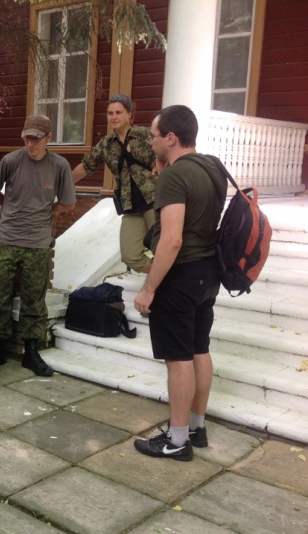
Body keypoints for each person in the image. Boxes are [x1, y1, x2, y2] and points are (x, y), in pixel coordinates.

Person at [133, 105, 227, 461]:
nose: (152, 142)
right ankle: (195, 427)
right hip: (208, 272)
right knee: (199, 349)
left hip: (181, 275)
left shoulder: (175, 178)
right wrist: (163, 170)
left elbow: (172, 239)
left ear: (170, 138)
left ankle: (176, 441)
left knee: (178, 358)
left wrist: (149, 288)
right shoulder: (211, 166)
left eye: (155, 136)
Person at [0, 114, 76, 376]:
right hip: (7, 239)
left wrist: (47, 211)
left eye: (36, 138)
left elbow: (68, 203)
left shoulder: (59, 166)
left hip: (37, 243)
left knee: (34, 300)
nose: (30, 144)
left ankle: (31, 351)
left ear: (48, 138)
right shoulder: (11, 160)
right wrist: (9, 205)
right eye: (26, 138)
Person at [72, 94, 156, 273]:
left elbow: (164, 154)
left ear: (129, 114)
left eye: (119, 112)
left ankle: (166, 285)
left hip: (154, 202)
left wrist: (160, 166)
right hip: (130, 205)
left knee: (163, 248)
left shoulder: (145, 135)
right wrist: (64, 184)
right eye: (110, 113)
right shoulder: (106, 144)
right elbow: (87, 166)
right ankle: (163, 276)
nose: (114, 117)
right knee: (131, 256)